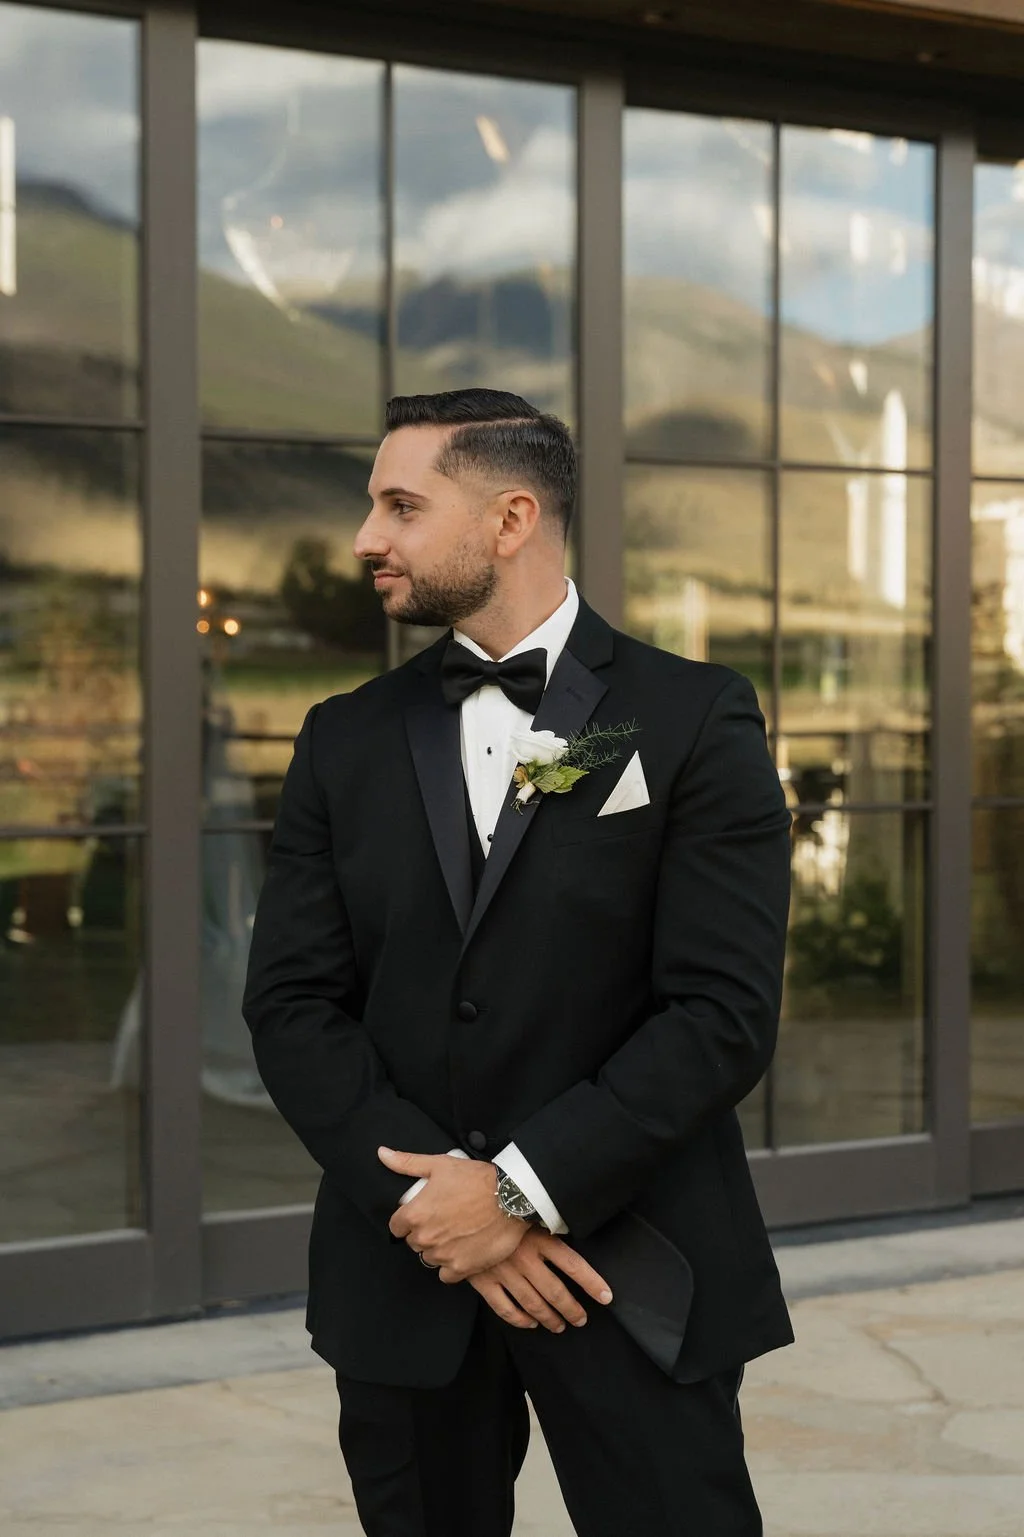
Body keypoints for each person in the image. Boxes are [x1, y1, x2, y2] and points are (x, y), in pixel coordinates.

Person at [242, 388, 794, 1537]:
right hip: (405, 1273)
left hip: (628, 1265)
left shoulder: (690, 717)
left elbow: (720, 1012)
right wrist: (434, 1202)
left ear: (509, 517)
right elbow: (293, 1004)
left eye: (400, 505)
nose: (366, 539)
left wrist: (515, 1192)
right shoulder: (341, 735)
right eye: (370, 506)